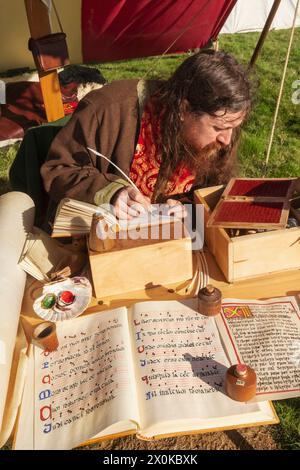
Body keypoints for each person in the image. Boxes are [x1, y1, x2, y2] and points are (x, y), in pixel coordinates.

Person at [41, 50, 252, 227]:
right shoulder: (109, 109)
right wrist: (110, 194)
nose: (227, 139)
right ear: (183, 109)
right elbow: (60, 168)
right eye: (218, 128)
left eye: (234, 127)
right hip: (98, 243)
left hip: (169, 247)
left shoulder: (222, 133)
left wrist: (187, 209)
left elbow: (214, 193)